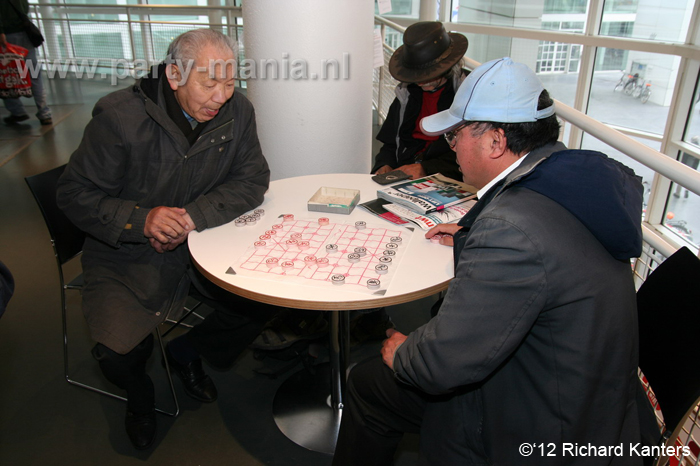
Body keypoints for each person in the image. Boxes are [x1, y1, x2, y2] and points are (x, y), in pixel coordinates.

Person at [333, 58, 644, 465]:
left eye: (456, 136)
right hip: (593, 401)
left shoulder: (510, 231)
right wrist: (470, 233)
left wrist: (404, 353)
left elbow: (441, 364)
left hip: (543, 429)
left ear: (496, 141)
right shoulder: (569, 181)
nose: (453, 148)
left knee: (369, 382)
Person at [57, 29, 274, 450]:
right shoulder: (119, 118)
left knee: (264, 302)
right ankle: (140, 398)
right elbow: (74, 194)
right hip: (124, 254)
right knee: (117, 355)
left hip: (203, 243)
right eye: (209, 83)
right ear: (174, 75)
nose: (221, 96)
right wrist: (142, 220)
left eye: (230, 82)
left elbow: (252, 178)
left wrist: (194, 216)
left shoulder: (238, 111)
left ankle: (187, 351)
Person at [372, 21, 469, 181]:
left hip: (448, 175)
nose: (420, 81)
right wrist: (384, 163)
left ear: (447, 66)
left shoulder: (466, 92)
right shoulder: (407, 92)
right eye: (416, 75)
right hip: (405, 171)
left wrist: (426, 169)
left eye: (428, 75)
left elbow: (473, 154)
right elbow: (390, 143)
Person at [1, 0, 52, 126]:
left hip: (7, 37)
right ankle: (44, 113)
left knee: (7, 74)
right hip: (26, 35)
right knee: (34, 74)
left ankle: (17, 111)